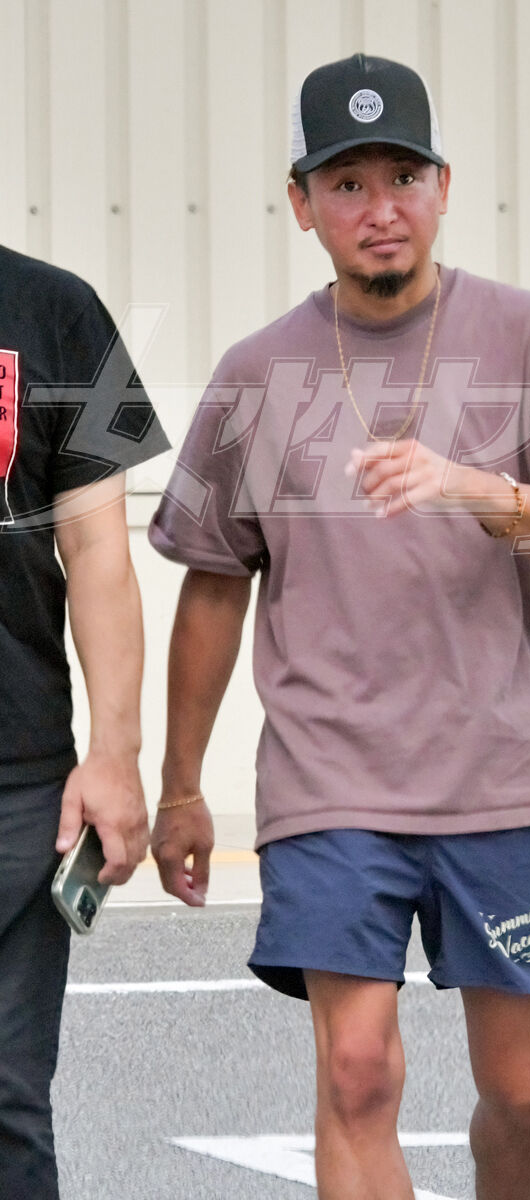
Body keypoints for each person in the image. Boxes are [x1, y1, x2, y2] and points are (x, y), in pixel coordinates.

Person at [149, 52, 530, 1200]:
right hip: (331, 778)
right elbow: (212, 585)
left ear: (444, 186)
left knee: (524, 1091)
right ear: (301, 203)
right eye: (348, 183)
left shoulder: (528, 333)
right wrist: (178, 787)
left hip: (503, 773)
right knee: (356, 1074)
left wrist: (471, 487)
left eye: (403, 177)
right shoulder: (256, 375)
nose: (381, 208)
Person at [0, 244, 169, 1197]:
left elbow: (99, 550)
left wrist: (116, 753)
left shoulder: (58, 311)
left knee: (8, 1102)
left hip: (16, 781)